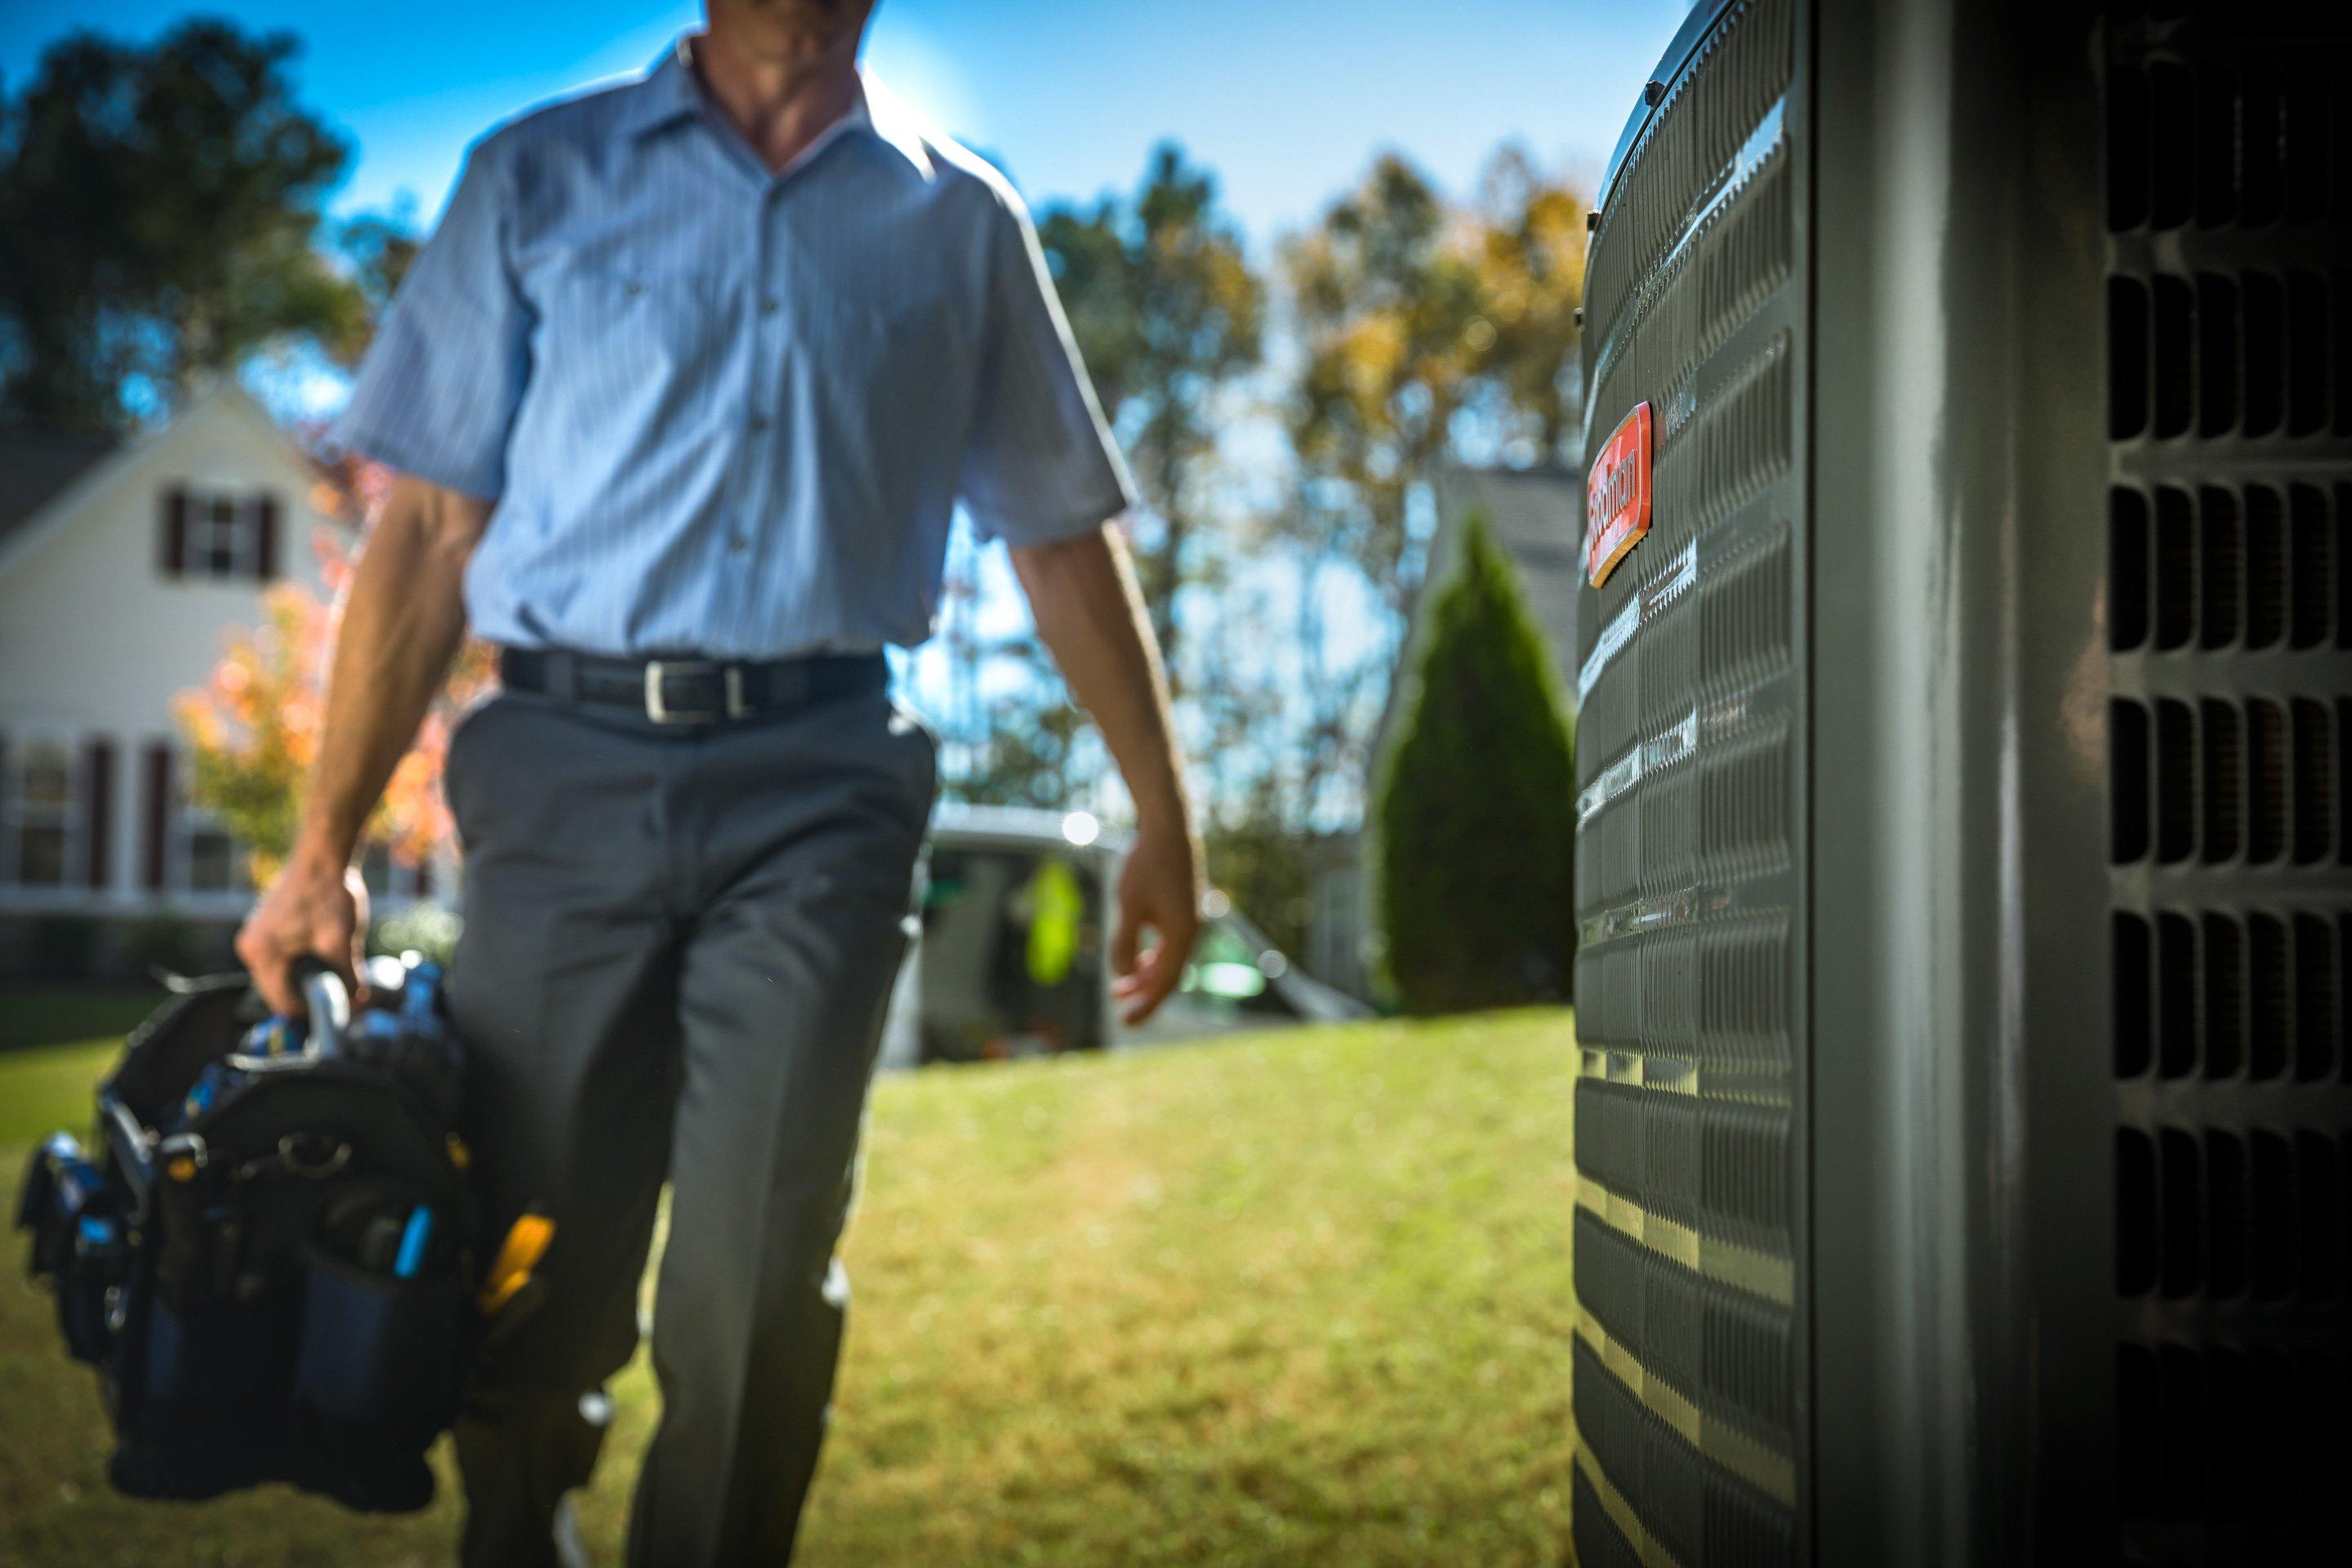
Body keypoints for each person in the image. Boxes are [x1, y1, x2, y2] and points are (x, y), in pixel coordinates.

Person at [234, 2, 1203, 1562]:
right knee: (533, 1252)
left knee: (755, 1277)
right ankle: (518, 1526)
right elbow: (421, 539)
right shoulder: (534, 180)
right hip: (562, 774)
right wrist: (318, 848)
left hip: (821, 783)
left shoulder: (959, 222)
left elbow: (1058, 536)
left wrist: (1163, 810)